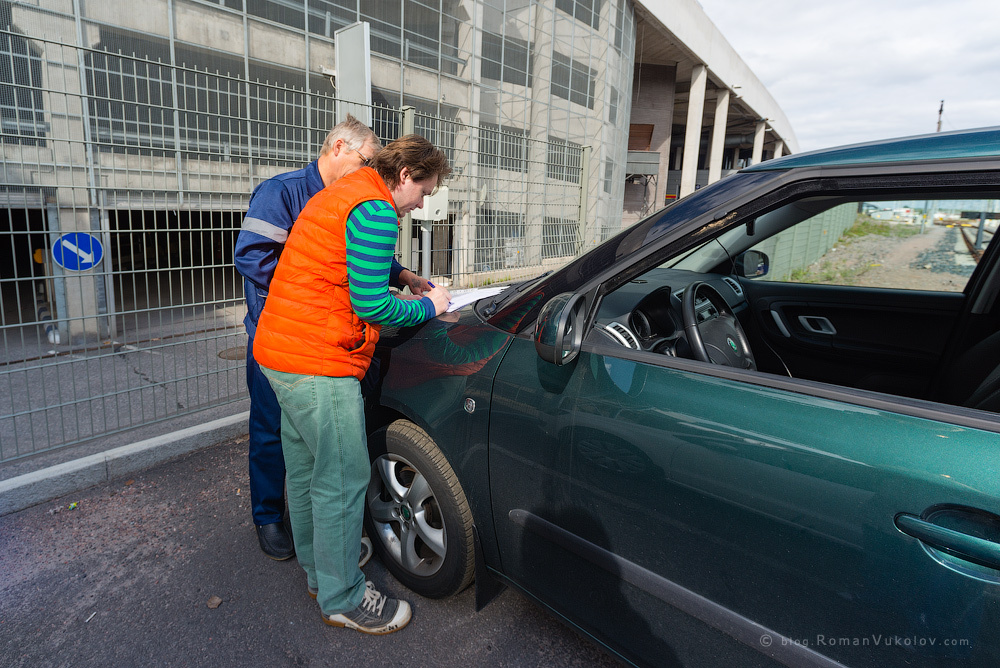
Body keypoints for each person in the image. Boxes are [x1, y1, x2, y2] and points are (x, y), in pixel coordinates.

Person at [253, 135, 451, 634]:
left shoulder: (345, 190)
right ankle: (342, 596)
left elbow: (344, 268)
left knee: (305, 468)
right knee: (342, 477)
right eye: (424, 191)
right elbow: (372, 306)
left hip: (279, 351)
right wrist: (432, 305)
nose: (422, 203)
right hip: (318, 361)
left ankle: (320, 570)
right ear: (405, 175)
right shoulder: (377, 210)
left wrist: (402, 275)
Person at [234, 116, 432, 560]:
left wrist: (401, 274)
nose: (372, 167)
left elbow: (363, 256)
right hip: (291, 335)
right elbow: (251, 256)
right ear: (338, 147)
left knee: (309, 458)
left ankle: (319, 551)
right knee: (280, 438)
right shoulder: (282, 192)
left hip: (309, 337)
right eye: (367, 159)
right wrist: (310, 288)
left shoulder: (346, 194)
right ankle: (269, 518)